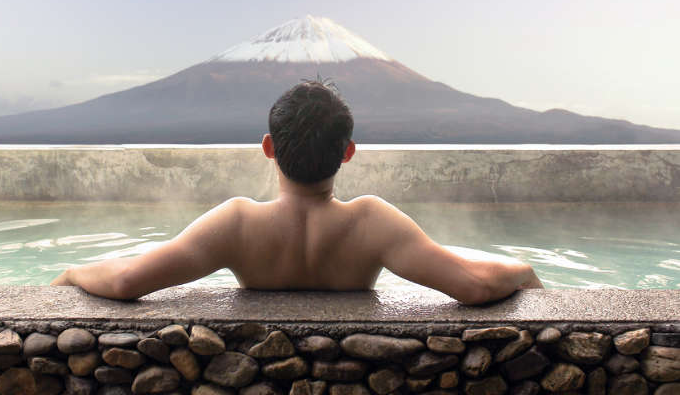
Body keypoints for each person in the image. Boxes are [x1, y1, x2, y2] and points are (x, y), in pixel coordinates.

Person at [51, 80, 543, 303]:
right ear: (347, 152)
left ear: (268, 147)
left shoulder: (238, 223)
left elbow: (124, 283)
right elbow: (474, 285)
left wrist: (73, 272)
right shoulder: (371, 222)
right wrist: (522, 269)